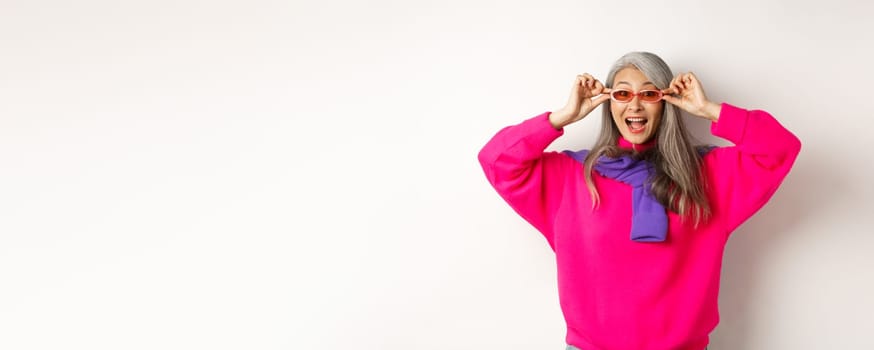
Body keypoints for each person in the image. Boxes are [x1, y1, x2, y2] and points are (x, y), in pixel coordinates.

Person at [477, 52, 801, 350]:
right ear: (609, 103)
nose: (634, 105)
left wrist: (709, 109)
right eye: (622, 94)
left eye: (648, 93)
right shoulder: (572, 177)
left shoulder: (707, 177)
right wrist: (563, 116)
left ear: (666, 102)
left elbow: (780, 149)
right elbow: (496, 160)